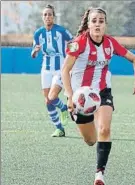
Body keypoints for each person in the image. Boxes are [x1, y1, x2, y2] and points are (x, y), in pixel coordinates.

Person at [61, 7, 135, 185]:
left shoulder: (110, 43)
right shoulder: (77, 43)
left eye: (101, 21)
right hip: (80, 97)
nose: (97, 24)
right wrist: (69, 96)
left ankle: (99, 174)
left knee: (104, 130)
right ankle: (78, 117)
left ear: (105, 24)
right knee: (91, 141)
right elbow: (65, 70)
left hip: (102, 91)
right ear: (89, 24)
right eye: (94, 21)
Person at [31, 4, 74, 137]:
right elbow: (33, 53)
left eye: (50, 14)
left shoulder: (62, 31)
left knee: (52, 96)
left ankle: (63, 108)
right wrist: (35, 51)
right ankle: (59, 129)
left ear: (53, 17)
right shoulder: (38, 33)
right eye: (45, 14)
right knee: (48, 101)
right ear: (42, 17)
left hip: (60, 68)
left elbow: (74, 43)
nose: (47, 17)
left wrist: (71, 58)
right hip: (46, 69)